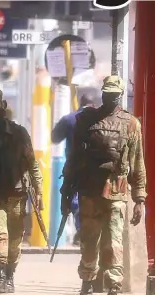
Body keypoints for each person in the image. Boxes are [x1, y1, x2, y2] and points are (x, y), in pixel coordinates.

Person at [61, 76, 146, 295]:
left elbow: (74, 161)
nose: (110, 98)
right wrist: (139, 198)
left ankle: (96, 292)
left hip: (95, 192)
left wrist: (140, 198)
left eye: (111, 95)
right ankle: (105, 293)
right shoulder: (130, 123)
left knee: (102, 243)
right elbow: (137, 164)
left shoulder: (87, 121)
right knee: (107, 243)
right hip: (108, 192)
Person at [0, 88, 43, 294]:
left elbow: (31, 163)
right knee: (1, 235)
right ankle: (2, 277)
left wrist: (38, 190)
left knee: (11, 237)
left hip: (12, 193)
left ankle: (7, 276)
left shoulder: (16, 132)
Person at [51, 89, 98, 244]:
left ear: (80, 103)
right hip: (98, 169)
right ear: (94, 104)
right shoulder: (102, 118)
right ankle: (91, 231)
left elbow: (55, 138)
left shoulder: (69, 119)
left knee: (73, 199)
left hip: (75, 167)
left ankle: (82, 228)